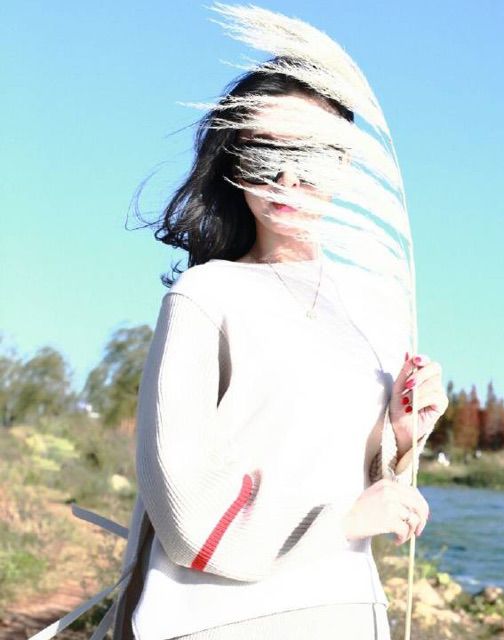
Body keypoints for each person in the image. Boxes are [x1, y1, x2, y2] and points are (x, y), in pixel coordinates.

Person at [111, 60, 448, 640]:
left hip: (345, 610)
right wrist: (343, 520)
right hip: (220, 618)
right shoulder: (206, 295)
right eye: (264, 152)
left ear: (344, 164)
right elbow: (182, 505)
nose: (286, 177)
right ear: (234, 161)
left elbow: (354, 476)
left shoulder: (377, 311)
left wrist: (400, 434)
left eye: (309, 154)